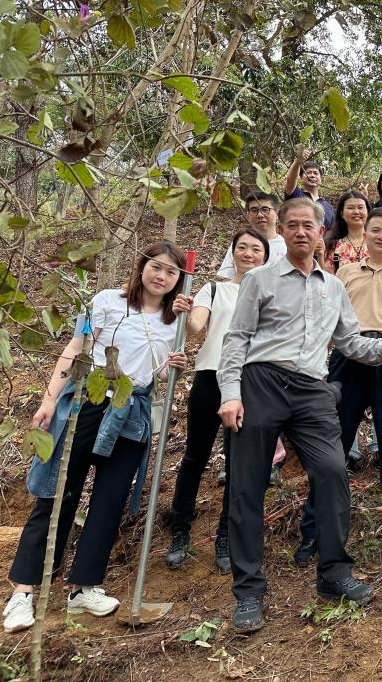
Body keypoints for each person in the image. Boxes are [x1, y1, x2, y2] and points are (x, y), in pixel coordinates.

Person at [217, 198, 382, 631]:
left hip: (312, 388)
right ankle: (249, 591)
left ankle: (333, 572)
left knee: (331, 471)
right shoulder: (260, 280)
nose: (302, 232)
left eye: (310, 225)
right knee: (246, 488)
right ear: (282, 232)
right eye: (293, 225)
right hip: (261, 382)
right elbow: (236, 339)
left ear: (323, 231)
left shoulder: (334, 287)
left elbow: (351, 343)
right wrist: (231, 394)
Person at [2, 243, 189, 633]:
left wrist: (175, 367)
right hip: (89, 402)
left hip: (132, 413)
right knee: (59, 493)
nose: (162, 276)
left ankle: (83, 586)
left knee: (109, 499)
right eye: (156, 267)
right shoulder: (106, 301)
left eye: (171, 272)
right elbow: (76, 348)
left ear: (178, 280)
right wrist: (50, 400)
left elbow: (158, 373)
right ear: (142, 267)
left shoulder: (176, 323)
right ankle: (23, 592)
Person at [301, 208, 382, 564]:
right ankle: (314, 530)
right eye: (376, 231)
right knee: (331, 446)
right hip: (347, 355)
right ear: (364, 236)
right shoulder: (345, 273)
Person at [166, 228, 270, 575]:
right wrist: (184, 308)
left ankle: (225, 536)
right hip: (210, 375)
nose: (249, 253)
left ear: (266, 257)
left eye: (256, 249)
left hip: (248, 381)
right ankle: (179, 531)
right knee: (195, 456)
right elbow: (196, 326)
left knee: (238, 461)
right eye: (242, 247)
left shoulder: (270, 292)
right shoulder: (214, 289)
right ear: (233, 253)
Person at [217, 192, 286, 278]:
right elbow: (226, 277)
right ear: (248, 215)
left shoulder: (286, 247)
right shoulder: (241, 243)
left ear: (277, 213)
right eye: (254, 210)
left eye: (265, 209)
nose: (260, 215)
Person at [283, 151, 334, 230]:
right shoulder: (295, 194)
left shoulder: (328, 206)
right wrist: (298, 161)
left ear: (321, 179)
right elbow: (290, 180)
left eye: (315, 173)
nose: (312, 175)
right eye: (308, 173)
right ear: (300, 178)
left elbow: (332, 231)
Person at [325, 190, 371, 273]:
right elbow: (328, 281)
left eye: (360, 207)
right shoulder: (333, 247)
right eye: (350, 208)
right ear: (342, 213)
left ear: (367, 211)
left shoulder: (378, 242)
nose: (356, 212)